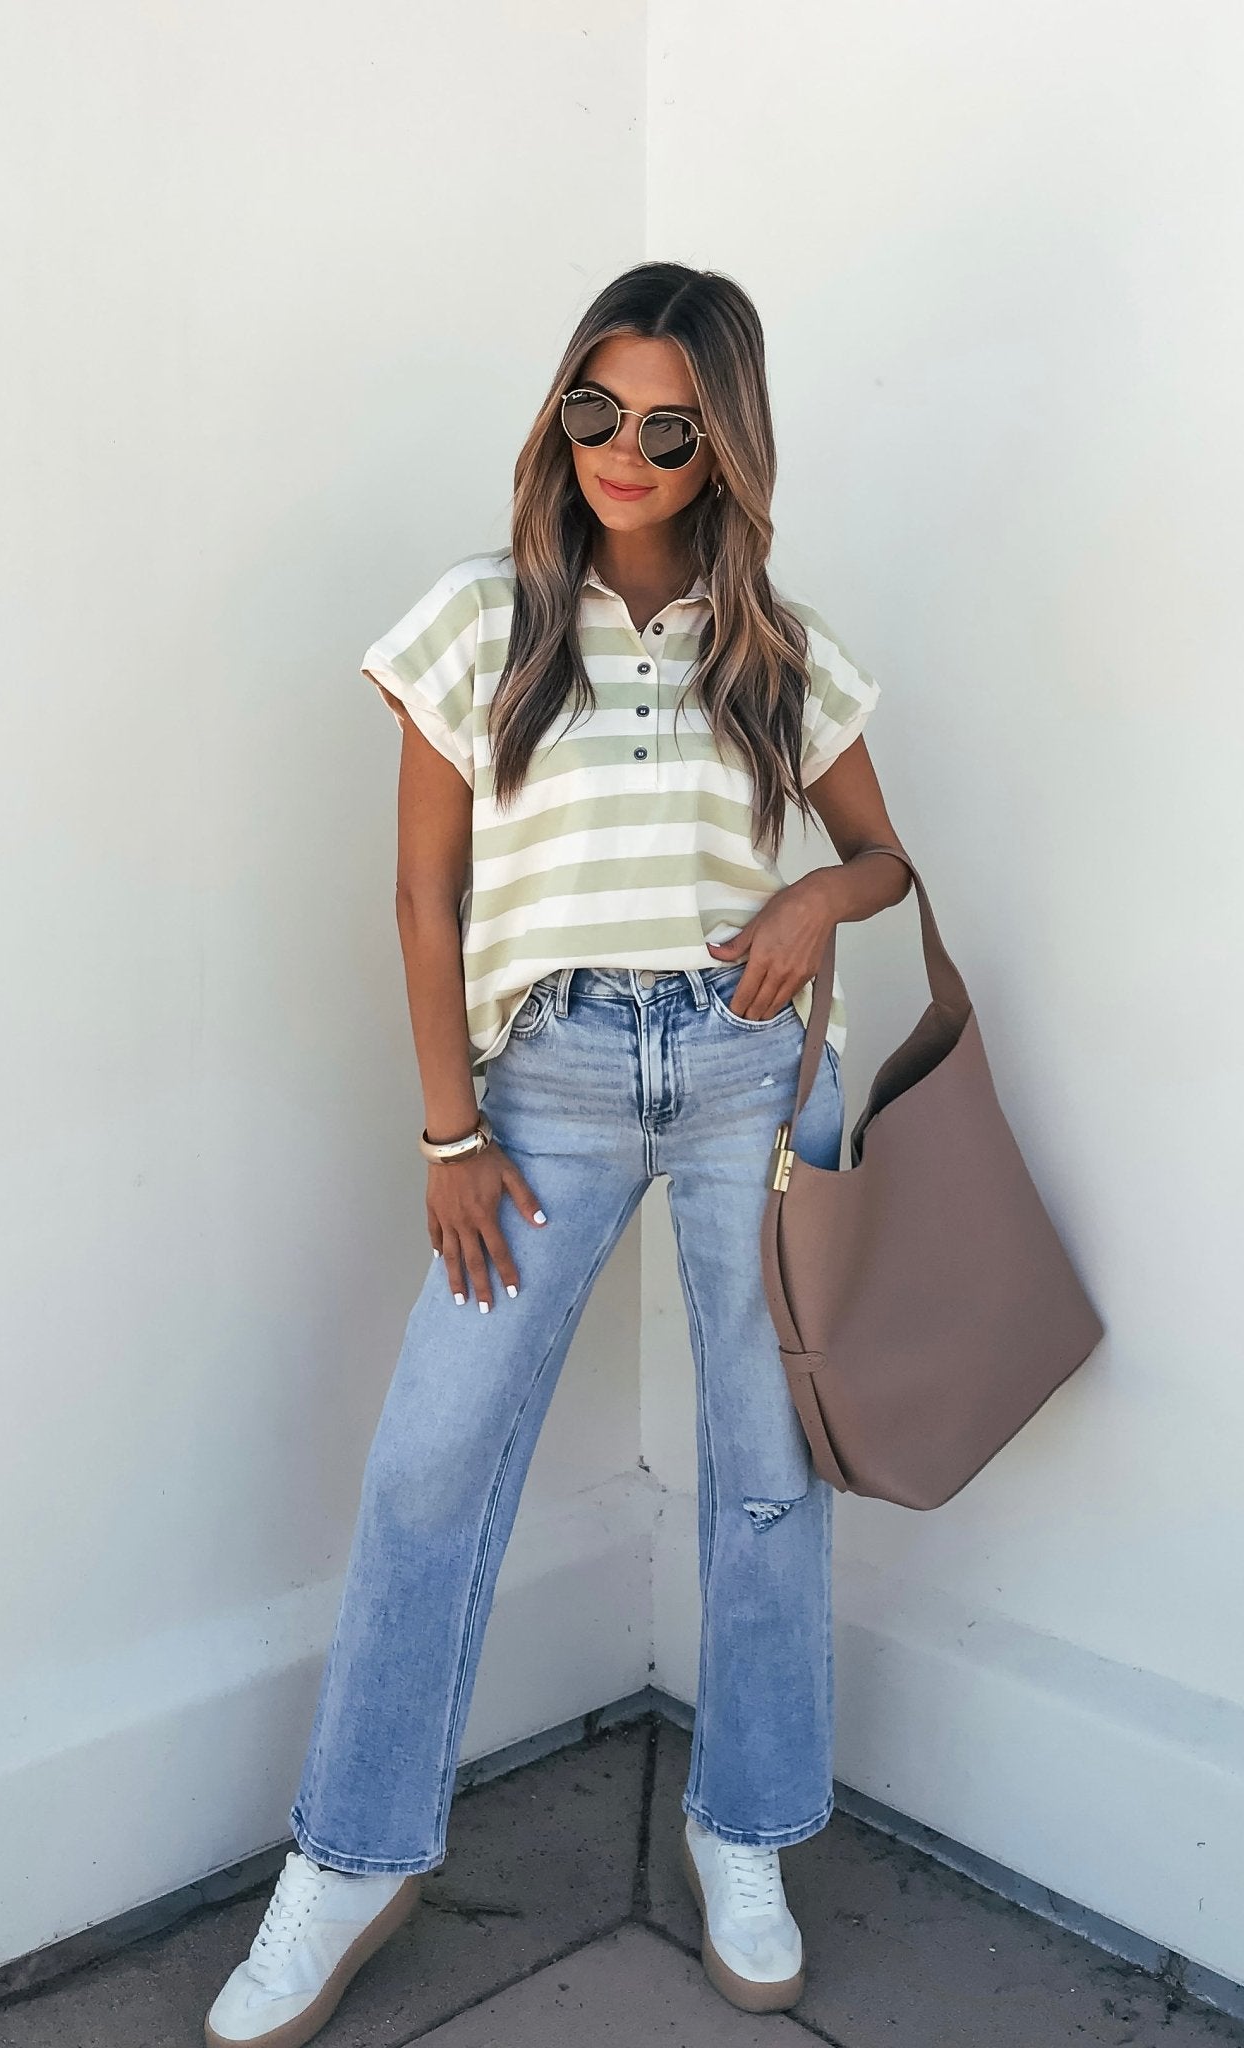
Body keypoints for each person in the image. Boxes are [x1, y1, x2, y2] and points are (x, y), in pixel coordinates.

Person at [205, 261, 910, 2047]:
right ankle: (352, 1859)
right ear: (559, 413)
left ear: (723, 447)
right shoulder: (480, 620)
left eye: (668, 425)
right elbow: (423, 893)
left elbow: (881, 861)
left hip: (756, 1072)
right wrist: (447, 1127)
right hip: (550, 1080)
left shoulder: (780, 647)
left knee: (765, 1474)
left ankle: (742, 1827)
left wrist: (819, 899)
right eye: (593, 407)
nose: (620, 448)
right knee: (431, 1468)